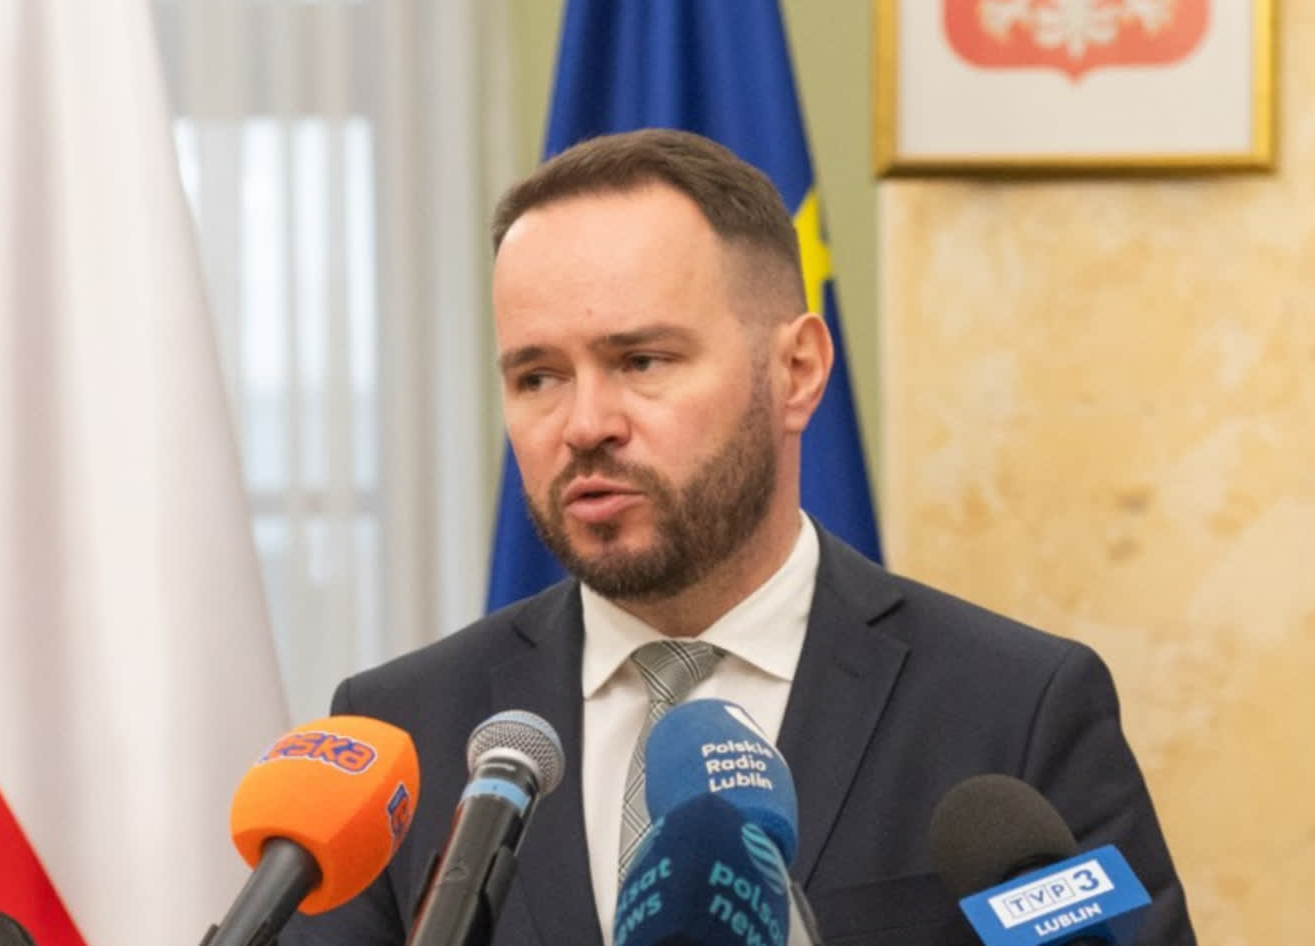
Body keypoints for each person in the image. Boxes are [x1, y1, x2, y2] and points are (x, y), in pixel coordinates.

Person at [281, 128, 1196, 946]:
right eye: (537, 377)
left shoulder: (1014, 710)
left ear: (796, 370)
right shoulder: (404, 733)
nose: (585, 424)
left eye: (642, 361)